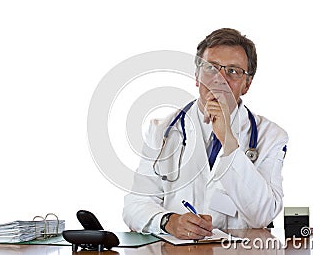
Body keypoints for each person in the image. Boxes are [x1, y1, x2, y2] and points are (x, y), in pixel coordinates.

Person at [123, 28, 288, 240]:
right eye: (211, 68)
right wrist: (168, 221)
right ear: (197, 75)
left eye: (233, 71)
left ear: (247, 84)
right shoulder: (162, 130)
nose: (220, 79)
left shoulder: (271, 136)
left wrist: (229, 142)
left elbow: (262, 216)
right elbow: (134, 205)